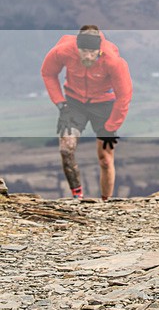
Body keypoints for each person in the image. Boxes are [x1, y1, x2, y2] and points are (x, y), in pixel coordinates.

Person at [41, 26, 132, 201]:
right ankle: (77, 197)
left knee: (105, 158)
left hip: (104, 105)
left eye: (92, 52)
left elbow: (124, 96)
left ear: (99, 50)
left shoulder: (113, 61)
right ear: (77, 48)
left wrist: (111, 126)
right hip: (74, 103)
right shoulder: (63, 51)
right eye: (84, 51)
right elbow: (48, 73)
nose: (88, 56)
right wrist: (61, 104)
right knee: (66, 149)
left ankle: (106, 202)